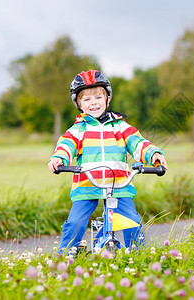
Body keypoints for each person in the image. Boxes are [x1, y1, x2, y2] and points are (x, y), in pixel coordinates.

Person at [48, 69, 168, 254]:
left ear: (107, 99)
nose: (93, 103)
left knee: (132, 222)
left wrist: (153, 154)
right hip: (87, 184)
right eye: (86, 99)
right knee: (75, 222)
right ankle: (65, 257)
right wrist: (58, 157)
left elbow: (137, 142)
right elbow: (66, 145)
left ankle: (137, 256)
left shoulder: (120, 126)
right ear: (78, 104)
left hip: (119, 185)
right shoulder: (78, 129)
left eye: (98, 97)